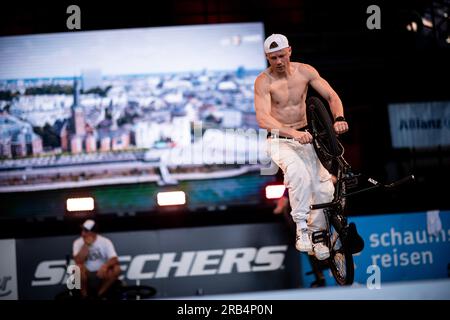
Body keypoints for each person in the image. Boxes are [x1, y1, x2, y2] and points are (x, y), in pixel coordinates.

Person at [255, 34, 348, 260]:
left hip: (305, 136)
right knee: (298, 173)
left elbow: (331, 95)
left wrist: (338, 118)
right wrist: (293, 134)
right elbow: (263, 119)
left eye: (281, 56)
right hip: (279, 139)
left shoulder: (305, 71)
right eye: (272, 58)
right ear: (267, 58)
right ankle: (301, 230)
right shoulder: (263, 81)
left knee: (323, 186)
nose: (278, 62)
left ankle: (318, 235)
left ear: (290, 51)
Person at [72, 219, 121, 298]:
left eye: (85, 231)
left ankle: (99, 294)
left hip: (102, 274)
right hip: (86, 274)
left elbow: (115, 259)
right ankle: (84, 295)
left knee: (117, 269)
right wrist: (86, 246)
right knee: (77, 268)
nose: (82, 233)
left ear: (93, 232)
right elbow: (78, 261)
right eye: (82, 230)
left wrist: (105, 266)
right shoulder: (78, 242)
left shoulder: (105, 241)